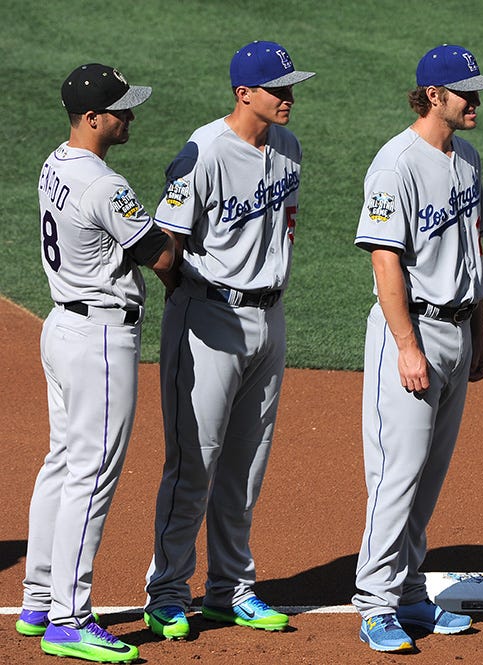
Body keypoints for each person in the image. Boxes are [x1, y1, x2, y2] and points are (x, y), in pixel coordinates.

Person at [142, 41, 314, 640]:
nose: (289, 97)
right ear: (245, 94)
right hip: (208, 317)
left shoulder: (288, 149)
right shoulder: (206, 150)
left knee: (245, 465)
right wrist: (185, 295)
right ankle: (166, 591)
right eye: (278, 88)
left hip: (271, 318)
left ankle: (229, 589)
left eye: (291, 87)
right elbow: (165, 242)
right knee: (195, 462)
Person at [18, 63, 173, 663]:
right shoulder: (105, 186)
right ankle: (70, 618)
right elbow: (160, 256)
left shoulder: (55, 163)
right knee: (92, 473)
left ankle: (38, 597)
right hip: (101, 341)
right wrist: (182, 211)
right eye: (120, 108)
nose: (129, 115)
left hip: (62, 326)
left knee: (62, 464)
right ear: (92, 118)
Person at [352, 44, 483, 653]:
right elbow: (386, 262)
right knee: (398, 473)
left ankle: (410, 592)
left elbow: (473, 254)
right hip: (409, 333)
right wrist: (407, 347)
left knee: (429, 475)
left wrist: (480, 335)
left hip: (458, 332)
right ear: (433, 96)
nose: (476, 101)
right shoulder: (396, 165)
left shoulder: (466, 160)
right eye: (466, 92)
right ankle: (375, 602)